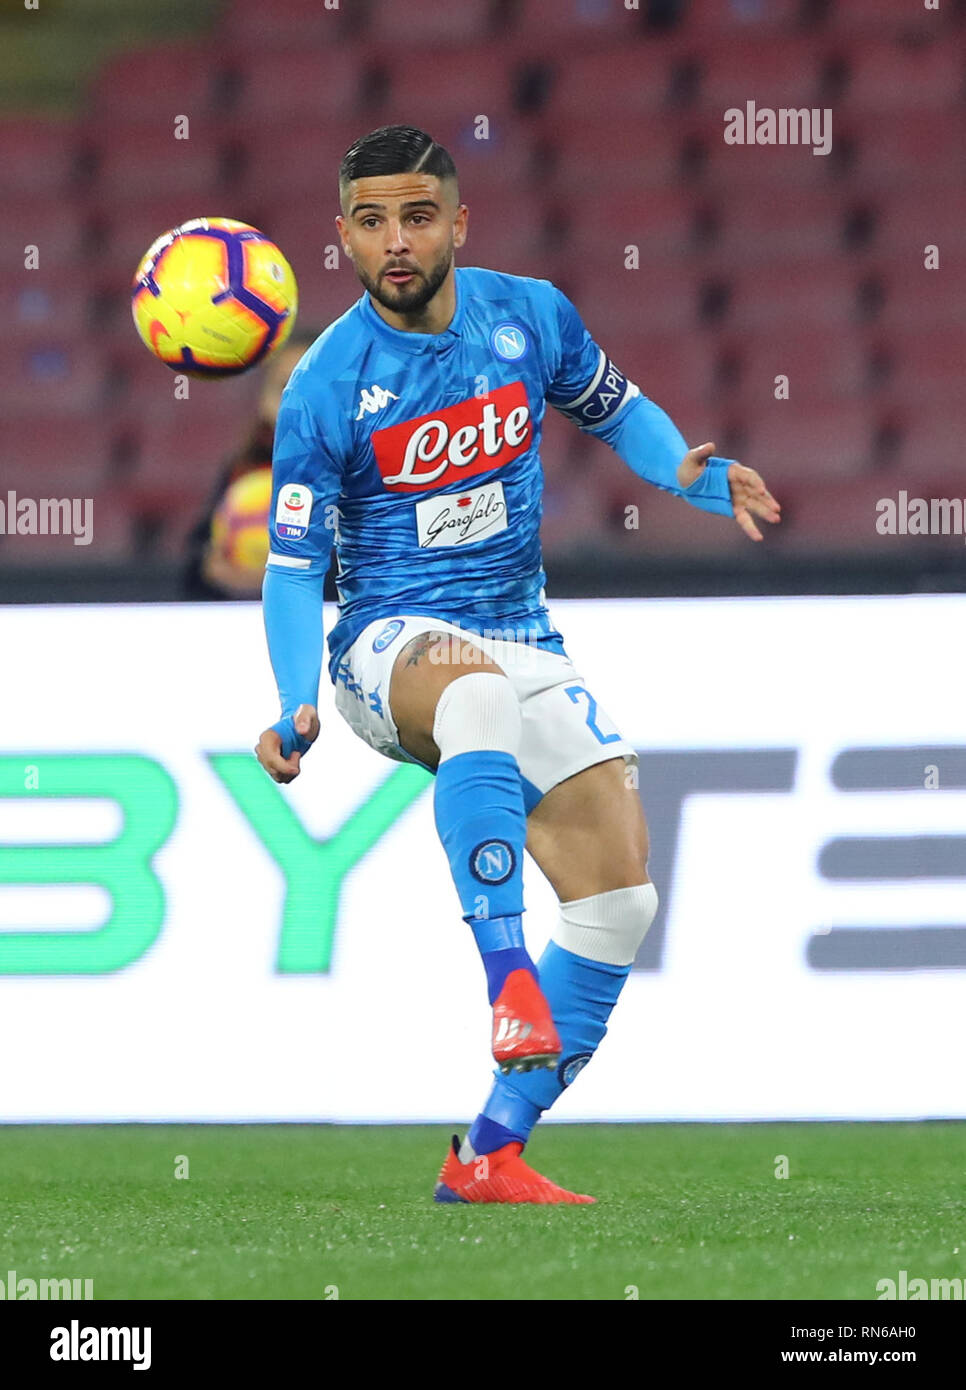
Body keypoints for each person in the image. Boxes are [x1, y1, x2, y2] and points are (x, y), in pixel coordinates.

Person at [254, 125, 781, 1204]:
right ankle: (507, 980)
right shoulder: (324, 385)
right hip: (389, 647)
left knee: (619, 903)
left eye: (414, 216)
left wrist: (688, 474)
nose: (394, 241)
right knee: (474, 693)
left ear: (458, 221)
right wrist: (296, 702)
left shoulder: (530, 316)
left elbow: (618, 412)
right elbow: (294, 564)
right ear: (342, 238)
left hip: (521, 630)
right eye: (369, 221)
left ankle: (489, 1150)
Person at [182, 330, 319, 599]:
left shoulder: (365, 475)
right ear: (264, 401)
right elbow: (194, 572)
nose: (297, 404)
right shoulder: (240, 471)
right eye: (284, 388)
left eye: (312, 389)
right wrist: (217, 572)